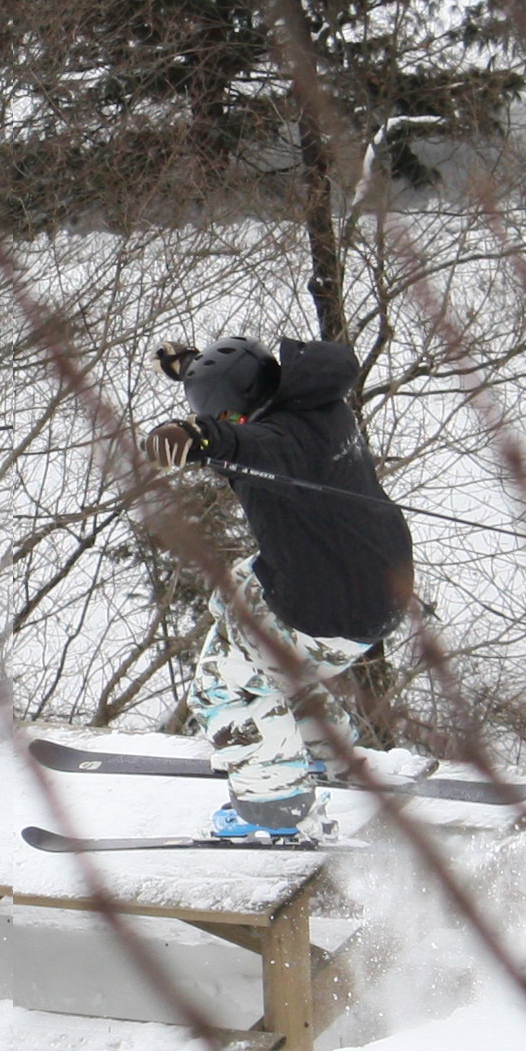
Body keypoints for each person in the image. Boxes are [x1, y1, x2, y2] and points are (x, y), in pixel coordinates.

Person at [140, 335, 412, 844]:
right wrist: (192, 369)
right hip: (373, 582)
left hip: (329, 609)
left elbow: (246, 443)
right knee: (241, 596)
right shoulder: (316, 402)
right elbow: (245, 403)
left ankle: (276, 807)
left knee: (224, 688)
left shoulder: (279, 441)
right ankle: (316, 750)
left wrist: (199, 435)